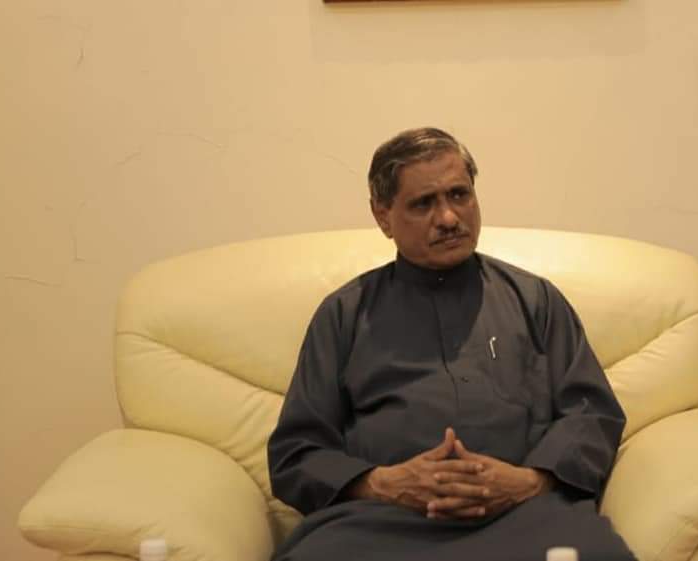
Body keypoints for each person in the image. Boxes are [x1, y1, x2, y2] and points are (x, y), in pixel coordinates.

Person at [267, 128, 635, 561]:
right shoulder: (344, 314)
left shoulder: (535, 299)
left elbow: (592, 415)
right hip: (378, 521)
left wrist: (530, 481)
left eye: (459, 195)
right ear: (382, 216)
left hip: (525, 513)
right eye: (424, 203)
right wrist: (384, 484)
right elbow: (297, 451)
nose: (448, 218)